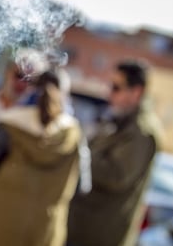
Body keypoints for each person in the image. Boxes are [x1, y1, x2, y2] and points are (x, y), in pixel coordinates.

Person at [0, 68, 83, 246]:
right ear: (65, 95)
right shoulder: (74, 134)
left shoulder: (12, 123)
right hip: (41, 231)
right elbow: (82, 185)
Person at [67, 59, 164, 246]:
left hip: (99, 234)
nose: (109, 93)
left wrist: (79, 154)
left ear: (136, 92)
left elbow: (116, 175)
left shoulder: (141, 131)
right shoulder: (118, 120)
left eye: (116, 87)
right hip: (85, 226)